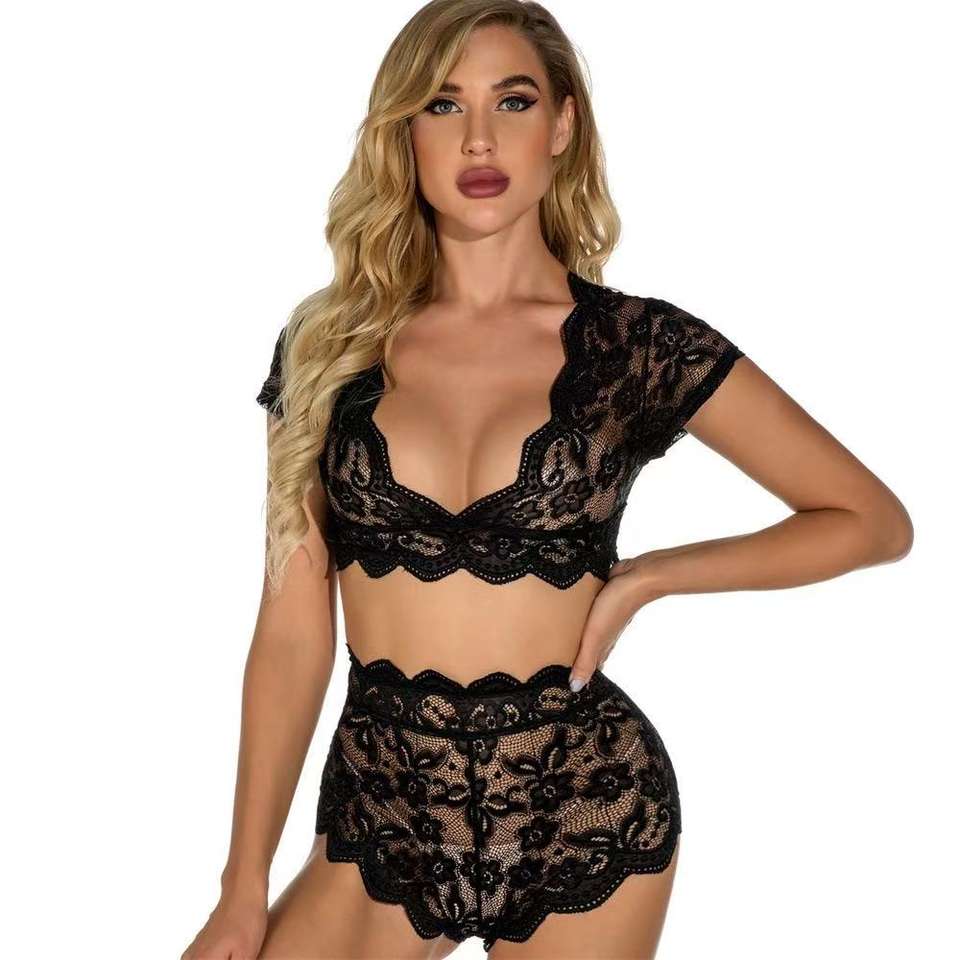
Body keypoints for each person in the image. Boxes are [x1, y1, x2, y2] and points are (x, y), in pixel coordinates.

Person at [182, 2, 913, 958]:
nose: (479, 139)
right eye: (443, 104)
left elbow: (869, 519)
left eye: (513, 101)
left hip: (580, 800)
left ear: (563, 124)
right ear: (404, 131)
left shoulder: (637, 347)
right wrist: (242, 887)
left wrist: (649, 578)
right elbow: (290, 632)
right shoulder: (329, 347)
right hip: (385, 804)